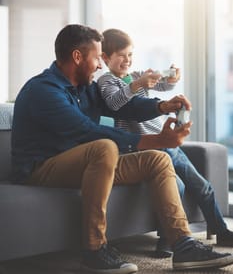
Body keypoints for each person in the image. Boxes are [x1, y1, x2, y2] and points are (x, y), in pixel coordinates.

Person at [11, 24, 233, 274]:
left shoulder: (86, 89)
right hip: (41, 169)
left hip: (86, 165)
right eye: (97, 58)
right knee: (104, 146)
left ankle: (183, 245)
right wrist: (157, 140)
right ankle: (94, 250)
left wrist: (163, 107)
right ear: (77, 57)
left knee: (158, 160)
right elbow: (87, 131)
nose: (99, 66)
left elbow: (124, 107)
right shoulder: (43, 91)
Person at [97, 27, 233, 259]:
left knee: (202, 186)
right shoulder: (106, 81)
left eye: (130, 55)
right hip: (146, 148)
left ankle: (220, 230)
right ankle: (168, 239)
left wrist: (171, 79)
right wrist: (137, 84)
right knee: (176, 188)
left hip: (167, 144)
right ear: (106, 57)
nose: (127, 60)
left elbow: (161, 85)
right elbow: (114, 103)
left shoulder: (135, 75)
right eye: (121, 56)